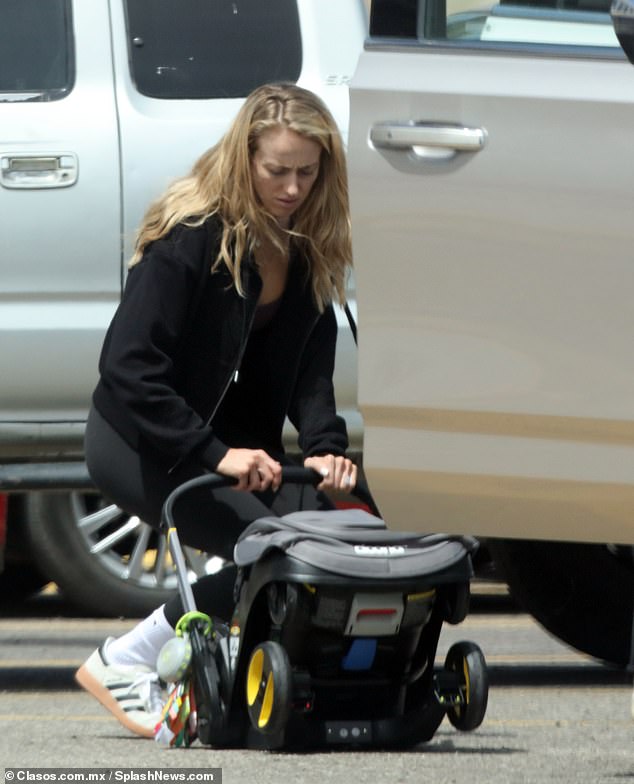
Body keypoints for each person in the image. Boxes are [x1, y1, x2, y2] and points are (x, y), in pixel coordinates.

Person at [74, 82, 357, 739]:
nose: (291, 188)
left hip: (231, 447)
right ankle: (124, 659)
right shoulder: (192, 235)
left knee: (346, 534)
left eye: (307, 173)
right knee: (273, 553)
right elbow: (125, 367)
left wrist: (324, 446)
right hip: (143, 440)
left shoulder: (307, 243)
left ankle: (289, 676)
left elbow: (311, 374)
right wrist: (215, 453)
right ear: (244, 157)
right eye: (276, 171)